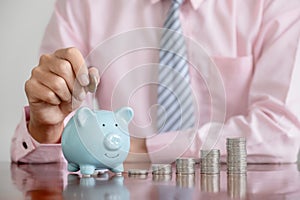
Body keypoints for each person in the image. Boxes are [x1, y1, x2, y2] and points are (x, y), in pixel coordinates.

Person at [11, 0, 300, 164]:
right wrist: (48, 131)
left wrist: (143, 148)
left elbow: (281, 132)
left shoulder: (276, 5)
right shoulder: (82, 6)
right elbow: (69, 137)